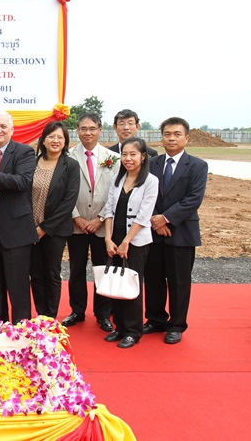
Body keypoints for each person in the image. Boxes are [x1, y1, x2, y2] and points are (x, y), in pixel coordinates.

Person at [143, 117, 208, 344]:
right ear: (161, 137)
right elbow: (147, 195)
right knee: (153, 278)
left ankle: (177, 324)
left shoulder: (198, 166)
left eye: (177, 134)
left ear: (186, 138)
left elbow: (193, 199)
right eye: (167, 134)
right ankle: (155, 319)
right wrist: (156, 221)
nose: (171, 138)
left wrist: (166, 219)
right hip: (153, 231)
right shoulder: (152, 164)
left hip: (181, 232)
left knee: (179, 281)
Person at [0, 110, 37, 324]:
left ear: (12, 129)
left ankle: (21, 329)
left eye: (3, 126)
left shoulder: (24, 152)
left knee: (18, 285)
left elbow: (22, 182)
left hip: (16, 231)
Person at [102, 137, 159, 349]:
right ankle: (120, 327)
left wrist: (127, 241)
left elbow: (144, 215)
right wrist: (108, 238)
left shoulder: (151, 181)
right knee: (116, 285)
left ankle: (133, 331)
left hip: (135, 241)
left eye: (133, 154)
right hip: (114, 240)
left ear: (143, 156)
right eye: (124, 154)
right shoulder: (118, 180)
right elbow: (109, 210)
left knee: (132, 285)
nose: (128, 159)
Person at [62, 113, 117, 332]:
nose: (88, 133)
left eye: (92, 128)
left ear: (100, 130)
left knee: (102, 269)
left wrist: (100, 218)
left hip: (102, 225)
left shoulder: (113, 158)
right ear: (77, 130)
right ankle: (77, 310)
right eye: (83, 129)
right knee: (76, 269)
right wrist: (76, 217)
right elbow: (65, 191)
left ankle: (103, 314)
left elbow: (115, 193)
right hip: (76, 223)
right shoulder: (68, 156)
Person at [30, 121, 80, 319]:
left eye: (60, 137)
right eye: (51, 136)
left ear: (65, 141)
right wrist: (31, 227)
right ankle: (40, 314)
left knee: (51, 272)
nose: (55, 140)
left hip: (55, 230)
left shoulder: (70, 166)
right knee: (35, 274)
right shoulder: (32, 162)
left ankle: (50, 317)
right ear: (43, 139)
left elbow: (68, 202)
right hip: (30, 229)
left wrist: (43, 229)